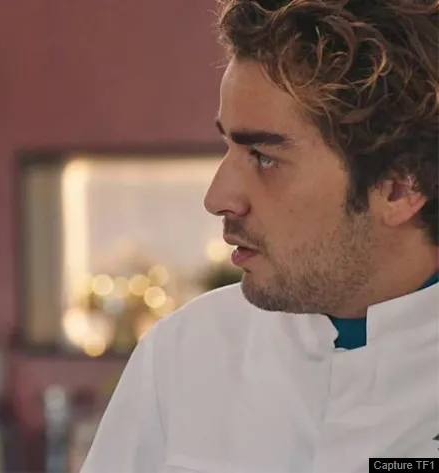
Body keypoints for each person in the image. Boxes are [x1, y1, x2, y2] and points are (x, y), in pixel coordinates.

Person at [81, 1, 438, 472]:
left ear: (398, 187)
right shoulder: (183, 356)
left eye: (265, 157)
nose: (217, 198)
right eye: (228, 146)